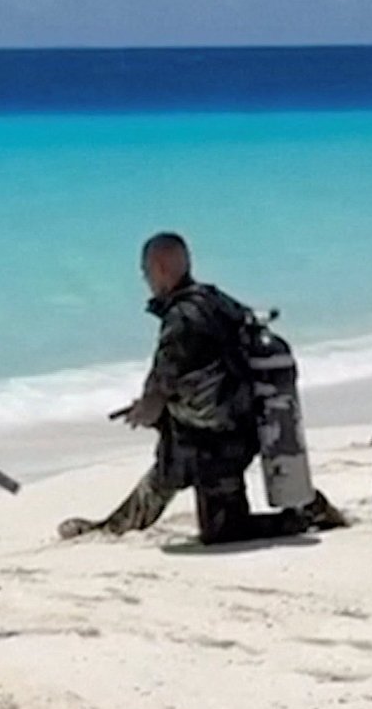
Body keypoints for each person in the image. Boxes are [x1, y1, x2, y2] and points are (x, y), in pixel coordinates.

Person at [58, 233, 347, 544]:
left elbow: (159, 392)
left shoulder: (181, 320)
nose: (146, 281)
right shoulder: (215, 300)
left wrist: (142, 412)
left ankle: (302, 516)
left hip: (216, 442)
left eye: (146, 272)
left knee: (223, 530)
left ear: (160, 268)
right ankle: (114, 527)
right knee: (170, 462)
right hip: (246, 423)